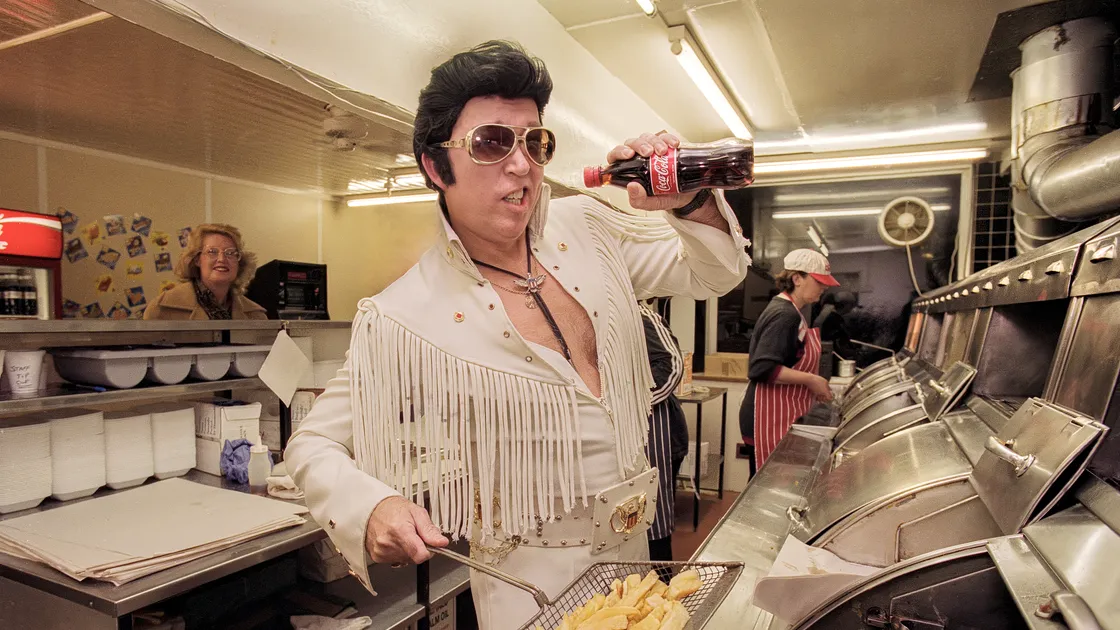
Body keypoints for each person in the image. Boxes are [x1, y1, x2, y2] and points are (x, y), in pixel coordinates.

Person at [283, 41, 751, 630]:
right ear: (435, 166)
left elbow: (717, 271)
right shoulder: (404, 314)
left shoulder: (589, 231)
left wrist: (690, 202)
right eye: (491, 142)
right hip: (528, 592)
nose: (523, 163)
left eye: (534, 141)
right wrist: (370, 506)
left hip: (636, 570)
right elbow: (311, 445)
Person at [739, 249, 836, 468]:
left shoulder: (792, 311)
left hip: (777, 415)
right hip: (767, 418)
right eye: (819, 281)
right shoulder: (785, 314)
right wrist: (813, 380)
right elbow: (761, 368)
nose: (824, 287)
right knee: (767, 489)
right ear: (797, 279)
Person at [638, 302, 689, 563]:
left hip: (653, 431)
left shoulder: (638, 312)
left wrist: (624, 406)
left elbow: (671, 366)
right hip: (627, 435)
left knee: (653, 520)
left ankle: (661, 589)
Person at [144, 223, 267, 320]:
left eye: (230, 253)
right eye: (212, 252)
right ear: (197, 259)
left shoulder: (256, 315)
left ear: (239, 262)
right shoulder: (161, 309)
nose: (222, 259)